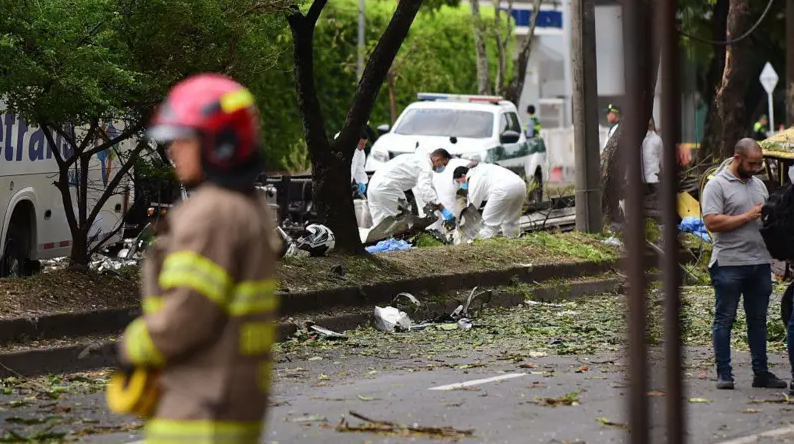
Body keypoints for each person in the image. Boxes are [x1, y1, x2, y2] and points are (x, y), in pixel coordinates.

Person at [113, 74, 279, 441]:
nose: (173, 150)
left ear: (221, 144)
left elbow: (189, 313)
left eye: (184, 139)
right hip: (229, 405)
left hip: (196, 414)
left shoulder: (212, 214)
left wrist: (135, 344)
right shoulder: (248, 208)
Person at [701, 138, 785, 390]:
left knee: (758, 321)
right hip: (729, 263)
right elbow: (712, 222)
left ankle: (761, 373)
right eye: (752, 163)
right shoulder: (716, 186)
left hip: (759, 263)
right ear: (737, 158)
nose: (756, 168)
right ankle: (724, 374)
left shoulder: (758, 185)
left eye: (759, 163)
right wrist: (748, 216)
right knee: (725, 319)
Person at [367, 148, 454, 227]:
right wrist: (442, 209)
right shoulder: (426, 167)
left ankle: (377, 244)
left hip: (373, 185)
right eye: (444, 164)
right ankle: (398, 243)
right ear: (437, 159)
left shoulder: (416, 158)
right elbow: (425, 191)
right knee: (402, 220)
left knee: (378, 224)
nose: (443, 167)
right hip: (387, 187)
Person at [452, 163, 527, 238]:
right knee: (511, 221)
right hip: (520, 185)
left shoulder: (473, 179)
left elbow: (473, 207)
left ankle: (479, 246)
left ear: (463, 175)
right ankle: (513, 242)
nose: (461, 184)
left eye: (459, 181)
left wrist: (460, 226)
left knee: (488, 226)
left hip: (502, 189)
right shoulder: (482, 169)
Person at [335, 129, 369, 196]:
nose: (363, 146)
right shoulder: (340, 148)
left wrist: (361, 181)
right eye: (361, 144)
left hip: (346, 186)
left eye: (365, 144)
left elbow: (359, 168)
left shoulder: (360, 153)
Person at [641, 118, 663, 194]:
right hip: (644, 181)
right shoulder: (639, 138)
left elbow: (661, 159)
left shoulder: (656, 139)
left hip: (653, 180)